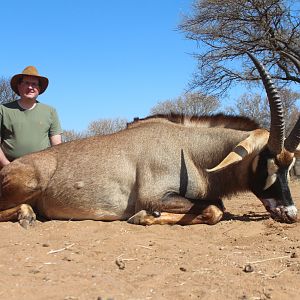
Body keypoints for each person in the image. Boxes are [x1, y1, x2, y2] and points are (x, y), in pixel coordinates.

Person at [0, 66, 62, 167]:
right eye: (26, 83)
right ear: (19, 86)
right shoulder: (3, 110)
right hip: (8, 169)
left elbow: (57, 145)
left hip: (42, 169)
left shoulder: (50, 111)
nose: (30, 87)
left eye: (34, 84)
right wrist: (8, 166)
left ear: (39, 88)